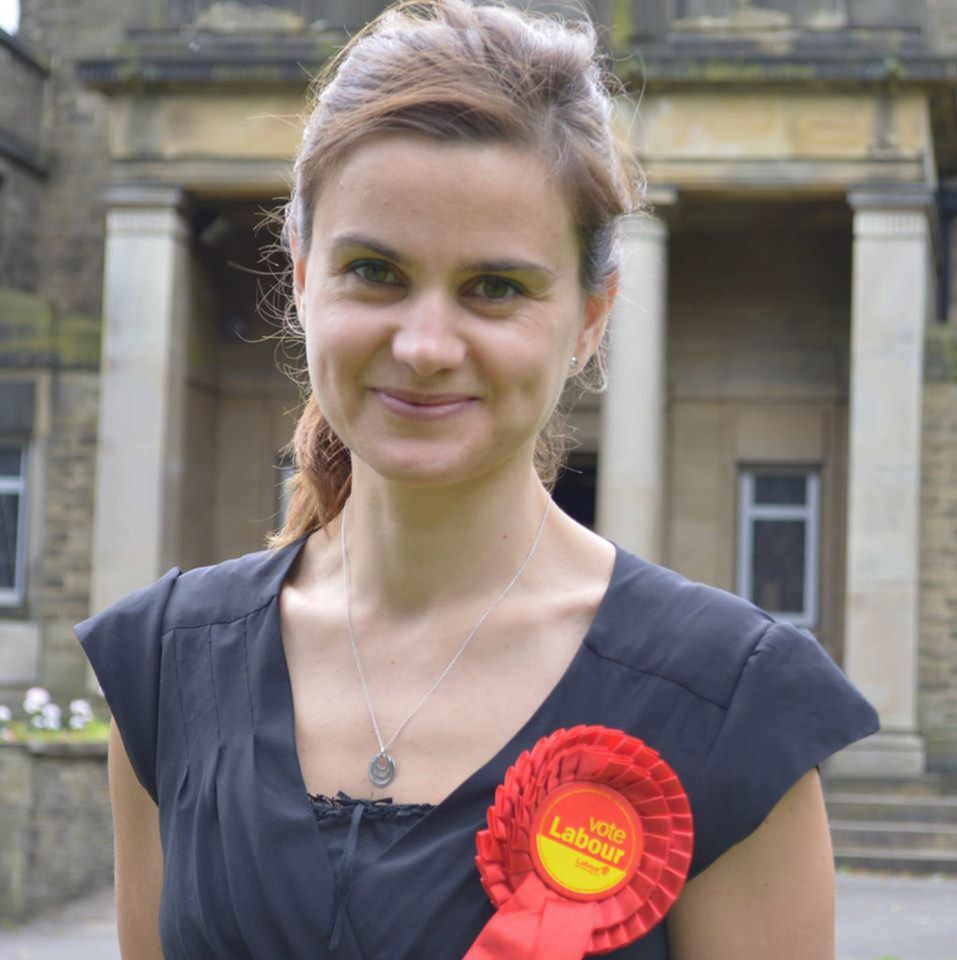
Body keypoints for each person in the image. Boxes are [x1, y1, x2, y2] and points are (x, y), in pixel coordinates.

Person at [75, 2, 880, 958]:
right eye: (374, 271)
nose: (423, 346)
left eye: (494, 287)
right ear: (300, 278)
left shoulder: (730, 705)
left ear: (590, 317)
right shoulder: (166, 666)